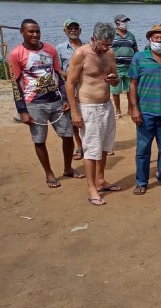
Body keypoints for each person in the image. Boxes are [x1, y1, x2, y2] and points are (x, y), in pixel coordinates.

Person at [9, 19, 84, 188]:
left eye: (37, 31)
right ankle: (49, 173)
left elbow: (58, 75)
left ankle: (68, 168)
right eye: (31, 31)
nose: (35, 34)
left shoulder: (50, 49)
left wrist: (65, 99)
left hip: (56, 100)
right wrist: (22, 110)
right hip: (34, 103)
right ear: (22, 32)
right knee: (39, 140)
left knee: (67, 135)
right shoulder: (16, 54)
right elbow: (15, 84)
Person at [65, 22, 121, 205]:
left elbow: (115, 79)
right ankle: (91, 188)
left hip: (106, 106)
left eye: (108, 44)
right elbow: (70, 83)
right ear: (93, 39)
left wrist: (114, 80)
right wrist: (75, 112)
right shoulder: (81, 53)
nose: (105, 48)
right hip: (88, 107)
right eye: (102, 44)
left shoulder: (109, 54)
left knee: (105, 147)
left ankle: (100, 179)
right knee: (91, 150)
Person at [128, 24, 161, 195]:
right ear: (150, 39)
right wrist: (134, 108)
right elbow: (132, 84)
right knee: (143, 150)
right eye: (156, 38)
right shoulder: (139, 57)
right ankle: (141, 181)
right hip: (145, 112)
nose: (159, 41)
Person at [56, 17, 84, 161]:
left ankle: (90, 145)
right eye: (70, 28)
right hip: (70, 87)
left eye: (75, 28)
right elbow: (57, 69)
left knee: (88, 116)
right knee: (74, 118)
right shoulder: (60, 48)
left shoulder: (87, 46)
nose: (73, 30)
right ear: (65, 31)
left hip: (86, 87)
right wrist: (69, 76)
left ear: (80, 30)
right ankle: (79, 146)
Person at [111, 13, 138, 119]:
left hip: (129, 67)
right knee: (115, 90)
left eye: (126, 21)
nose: (125, 23)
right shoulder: (112, 35)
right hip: (115, 67)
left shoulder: (131, 36)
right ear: (117, 23)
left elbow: (136, 50)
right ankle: (117, 110)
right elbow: (107, 50)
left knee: (130, 89)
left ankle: (130, 109)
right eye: (123, 21)